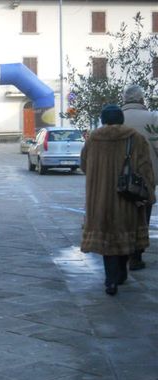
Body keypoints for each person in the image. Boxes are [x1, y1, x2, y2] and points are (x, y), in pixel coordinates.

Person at [80, 104, 155, 296]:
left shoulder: (93, 139)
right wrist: (149, 194)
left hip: (101, 199)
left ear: (103, 119)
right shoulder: (136, 138)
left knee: (107, 238)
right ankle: (121, 273)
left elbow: (84, 165)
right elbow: (145, 168)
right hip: (127, 197)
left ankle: (110, 280)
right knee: (125, 234)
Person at [121, 84, 158, 270]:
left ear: (125, 99)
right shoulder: (153, 118)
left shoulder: (117, 118)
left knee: (122, 214)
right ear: (142, 99)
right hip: (147, 177)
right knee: (143, 215)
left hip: (120, 177)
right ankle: (137, 255)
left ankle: (123, 251)